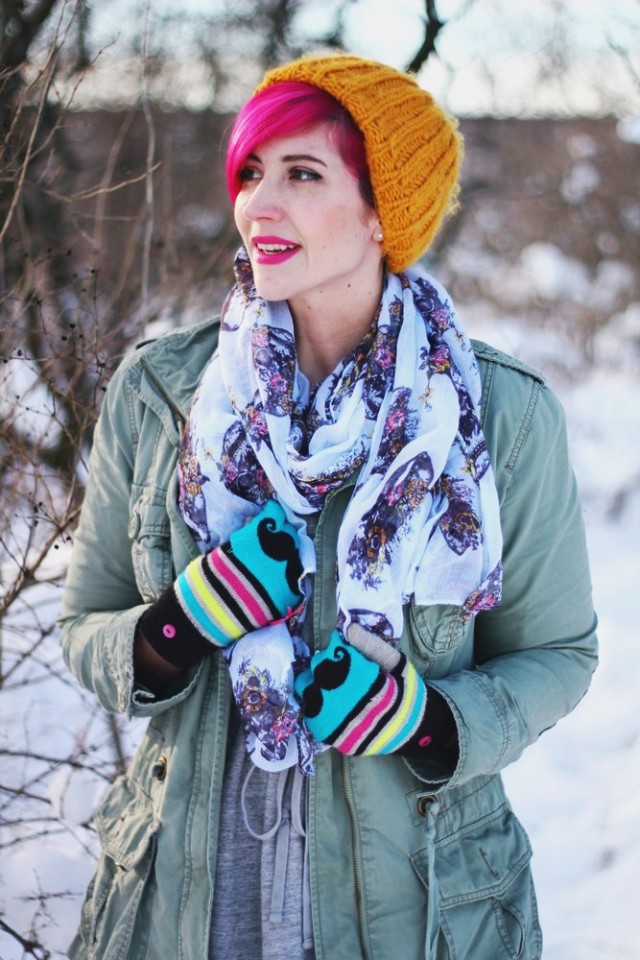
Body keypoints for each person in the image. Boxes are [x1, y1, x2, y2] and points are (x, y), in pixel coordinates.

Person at [58, 52, 598, 960]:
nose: (257, 206)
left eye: (302, 174)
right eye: (251, 173)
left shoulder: (497, 415)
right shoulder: (160, 394)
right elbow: (85, 626)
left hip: (416, 912)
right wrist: (180, 626)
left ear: (385, 208)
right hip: (186, 910)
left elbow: (558, 654)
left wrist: (424, 721)